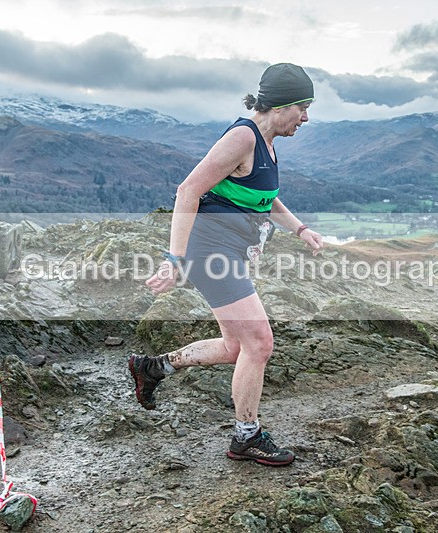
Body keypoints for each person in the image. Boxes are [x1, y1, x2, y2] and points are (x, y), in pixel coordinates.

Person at [128, 63, 323, 467]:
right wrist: (174, 259)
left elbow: (265, 197)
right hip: (210, 251)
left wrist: (300, 229)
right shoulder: (243, 137)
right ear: (281, 105)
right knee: (259, 343)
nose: (305, 118)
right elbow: (187, 191)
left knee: (236, 346)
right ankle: (246, 436)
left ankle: (153, 368)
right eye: (302, 108)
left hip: (229, 252)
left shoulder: (266, 142)